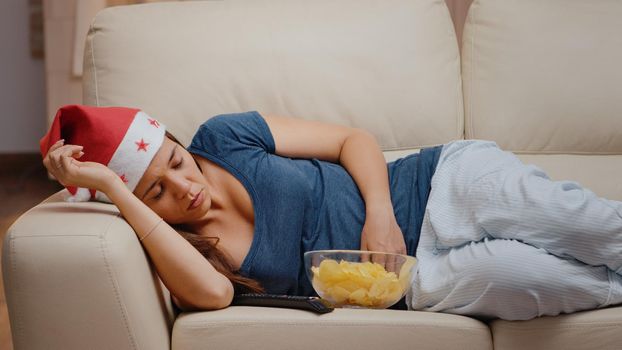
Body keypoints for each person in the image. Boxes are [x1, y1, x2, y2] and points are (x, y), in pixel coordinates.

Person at [40, 105, 622, 321]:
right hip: (408, 284)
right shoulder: (183, 251)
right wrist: (112, 191)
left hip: (436, 185)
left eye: (174, 161)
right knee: (529, 280)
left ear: (175, 140)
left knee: (585, 228)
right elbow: (216, 298)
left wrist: (379, 213)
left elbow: (353, 140)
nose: (182, 186)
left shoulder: (223, 138)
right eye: (155, 193)